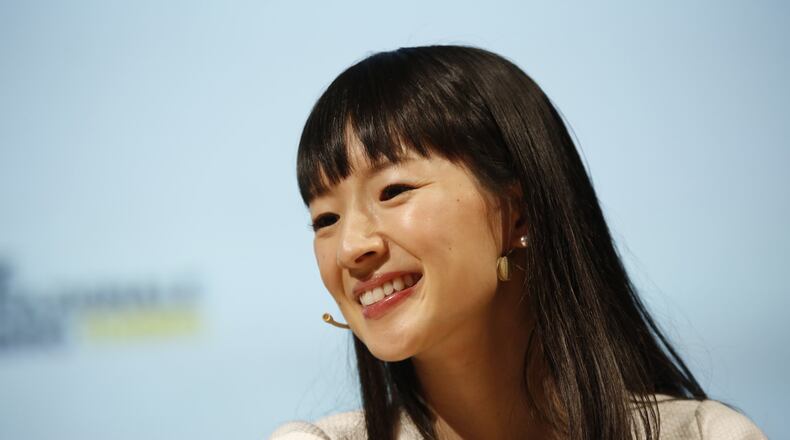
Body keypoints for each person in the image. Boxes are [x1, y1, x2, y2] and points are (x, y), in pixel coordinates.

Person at [271, 46, 766, 440]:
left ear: (518, 213)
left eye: (394, 191)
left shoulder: (707, 435)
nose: (350, 248)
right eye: (325, 219)